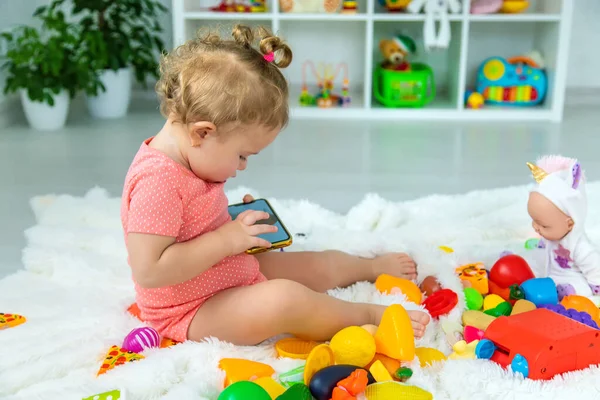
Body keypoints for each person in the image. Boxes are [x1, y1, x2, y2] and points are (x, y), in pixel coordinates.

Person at [120, 24, 430, 346]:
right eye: (241, 155)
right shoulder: (156, 182)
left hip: (223, 267)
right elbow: (150, 270)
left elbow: (193, 222)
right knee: (285, 300)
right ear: (203, 133)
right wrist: (227, 239)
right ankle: (366, 316)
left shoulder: (193, 157)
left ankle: (370, 266)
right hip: (190, 310)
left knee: (315, 263)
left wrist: (239, 229)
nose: (242, 166)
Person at [526, 155, 600, 300]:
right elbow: (543, 250)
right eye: (534, 220)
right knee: (533, 266)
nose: (536, 227)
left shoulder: (580, 247)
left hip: (571, 277)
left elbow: (594, 267)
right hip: (550, 274)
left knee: (580, 287)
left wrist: (596, 285)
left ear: (570, 223)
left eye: (543, 225)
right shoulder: (551, 235)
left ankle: (567, 292)